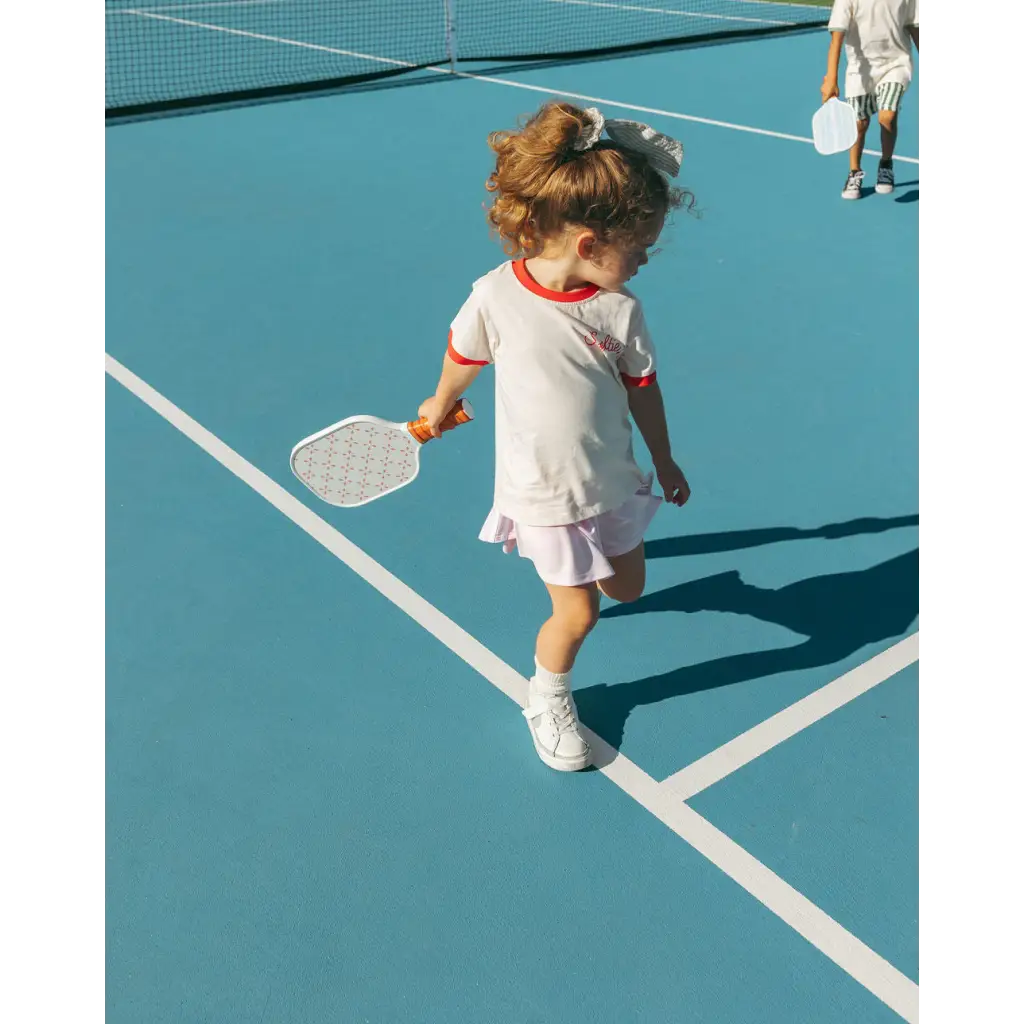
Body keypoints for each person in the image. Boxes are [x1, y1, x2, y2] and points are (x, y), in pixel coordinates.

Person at [417, 101, 693, 772]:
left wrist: (663, 457)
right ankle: (546, 695)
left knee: (628, 588)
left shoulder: (619, 309)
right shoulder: (495, 295)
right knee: (578, 617)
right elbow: (464, 352)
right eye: (642, 249)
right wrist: (441, 402)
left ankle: (586, 588)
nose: (648, 260)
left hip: (611, 478)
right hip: (542, 490)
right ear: (590, 245)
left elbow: (643, 388)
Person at [821, 1, 921, 199]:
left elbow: (913, 26)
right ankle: (854, 172)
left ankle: (886, 164)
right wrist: (831, 78)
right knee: (859, 124)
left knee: (887, 117)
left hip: (896, 65)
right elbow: (837, 39)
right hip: (860, 70)